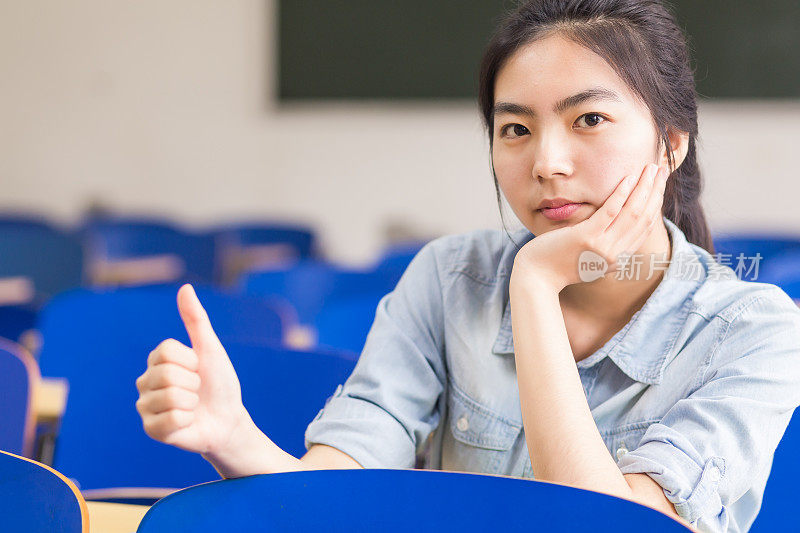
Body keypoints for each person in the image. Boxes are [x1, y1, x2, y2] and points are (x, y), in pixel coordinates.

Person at [134, 1, 800, 531]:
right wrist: (234, 436)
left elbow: (609, 526)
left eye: (589, 118)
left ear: (672, 143)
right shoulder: (449, 277)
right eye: (515, 129)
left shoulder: (757, 330)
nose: (547, 162)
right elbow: (337, 487)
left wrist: (537, 284)